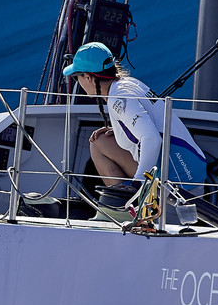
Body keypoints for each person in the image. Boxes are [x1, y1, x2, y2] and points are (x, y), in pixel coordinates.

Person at [62, 42, 207, 204]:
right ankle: (129, 203)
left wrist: (139, 185)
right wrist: (119, 130)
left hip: (178, 184)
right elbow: (150, 121)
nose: (77, 82)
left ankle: (129, 207)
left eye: (76, 77)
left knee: (97, 145)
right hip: (192, 172)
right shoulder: (128, 84)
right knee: (100, 142)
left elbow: (152, 139)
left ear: (88, 77)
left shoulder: (119, 99)